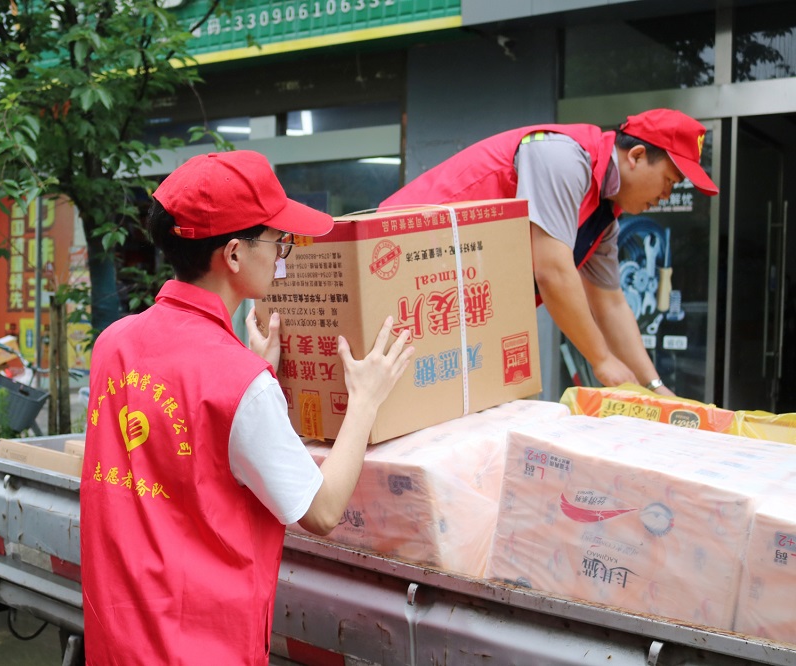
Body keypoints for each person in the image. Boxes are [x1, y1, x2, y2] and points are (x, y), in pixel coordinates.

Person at [80, 150, 414, 665]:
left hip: (119, 643)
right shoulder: (241, 384)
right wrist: (365, 400)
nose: (283, 256)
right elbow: (323, 511)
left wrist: (249, 369)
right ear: (234, 254)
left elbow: (178, 448)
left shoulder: (114, 343)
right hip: (200, 650)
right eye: (278, 241)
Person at [381, 108, 719, 396]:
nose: (666, 195)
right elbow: (553, 272)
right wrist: (602, 360)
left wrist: (655, 386)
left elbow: (611, 303)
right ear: (637, 156)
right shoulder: (563, 158)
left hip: (453, 308)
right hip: (398, 266)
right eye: (669, 180)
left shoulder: (603, 217)